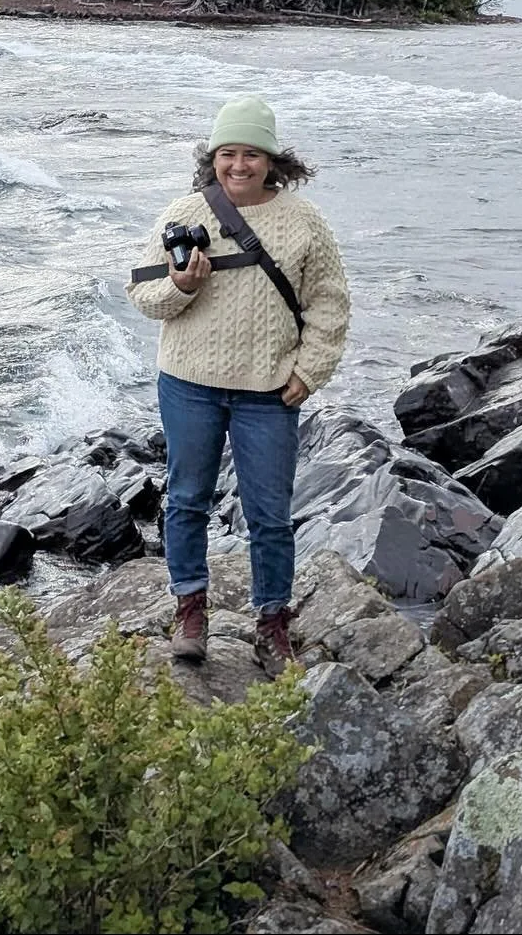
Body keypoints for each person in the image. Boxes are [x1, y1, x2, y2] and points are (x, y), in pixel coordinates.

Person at [127, 95, 350, 674]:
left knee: (270, 514)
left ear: (274, 160)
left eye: (252, 154)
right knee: (185, 499)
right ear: (214, 159)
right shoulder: (185, 210)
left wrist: (309, 371)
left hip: (269, 390)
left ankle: (273, 624)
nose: (239, 165)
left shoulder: (305, 221)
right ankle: (190, 612)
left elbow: (330, 303)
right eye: (228, 154)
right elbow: (144, 295)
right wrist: (181, 285)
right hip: (188, 383)